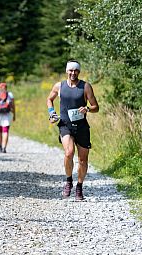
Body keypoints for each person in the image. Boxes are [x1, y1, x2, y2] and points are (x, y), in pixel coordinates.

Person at [46, 60, 99, 201]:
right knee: (69, 152)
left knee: (83, 159)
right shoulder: (59, 86)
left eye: (76, 70)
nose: (73, 73)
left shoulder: (85, 87)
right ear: (66, 71)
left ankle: (79, 187)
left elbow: (96, 107)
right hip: (65, 125)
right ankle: (69, 181)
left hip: (81, 127)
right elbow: (49, 99)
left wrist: (87, 108)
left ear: (79, 72)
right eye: (70, 70)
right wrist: (51, 113)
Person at [0, 82, 15, 153]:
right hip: (8, 114)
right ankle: (4, 148)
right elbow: (13, 106)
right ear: (6, 88)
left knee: (0, 130)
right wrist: (14, 115)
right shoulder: (10, 94)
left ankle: (0, 146)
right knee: (5, 131)